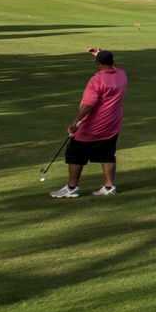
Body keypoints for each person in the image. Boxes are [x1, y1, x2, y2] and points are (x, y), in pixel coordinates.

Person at [49, 48, 127, 199]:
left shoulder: (97, 80)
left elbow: (89, 104)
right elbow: (114, 66)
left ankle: (72, 188)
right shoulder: (121, 75)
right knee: (107, 155)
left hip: (92, 126)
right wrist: (100, 53)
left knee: (76, 154)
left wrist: (75, 121)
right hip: (111, 125)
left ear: (97, 63)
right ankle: (109, 187)